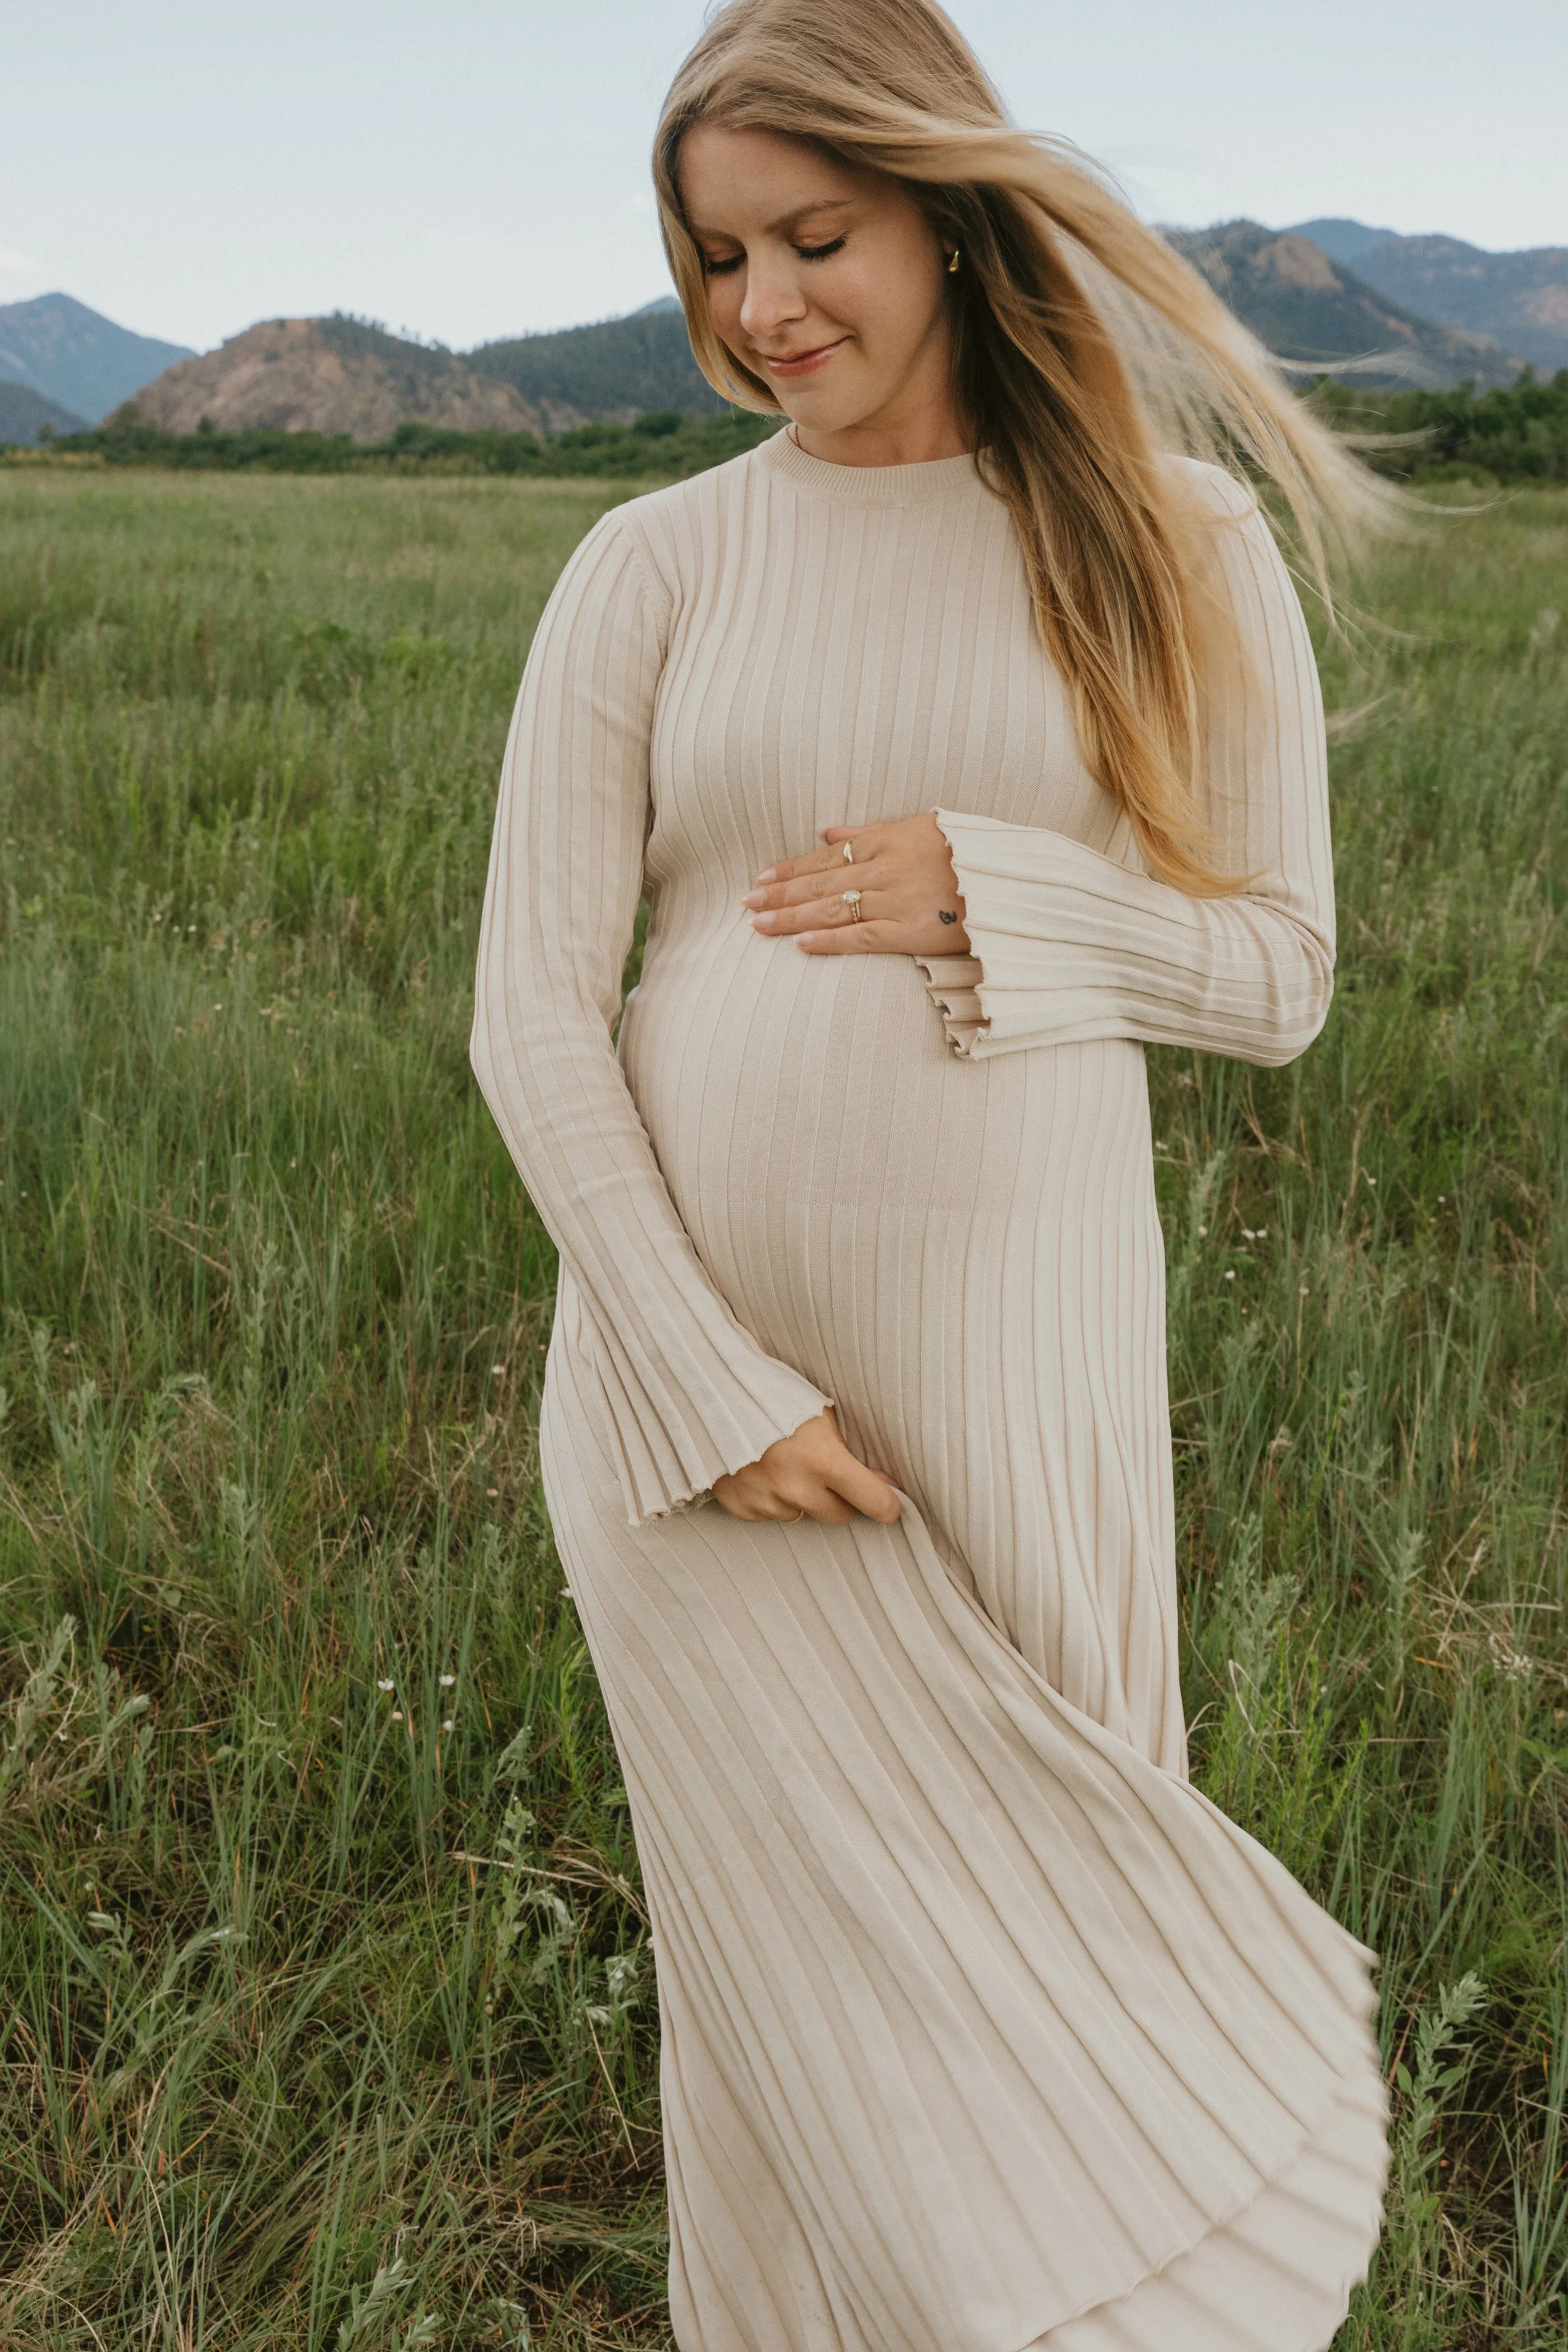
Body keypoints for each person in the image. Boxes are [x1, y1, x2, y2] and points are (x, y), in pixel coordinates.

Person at [471, 3, 1393, 2344]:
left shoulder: (1166, 542)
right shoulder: (649, 562)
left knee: (1064, 1983)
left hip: (1015, 1371)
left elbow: (1277, 972)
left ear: (950, 219)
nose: (763, 303)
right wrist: (701, 1383)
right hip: (696, 1426)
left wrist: (1007, 888)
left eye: (815, 234)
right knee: (782, 2018)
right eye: (715, 257)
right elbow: (524, 1013)